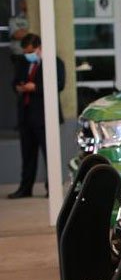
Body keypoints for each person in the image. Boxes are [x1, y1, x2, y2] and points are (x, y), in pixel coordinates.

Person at [9, 33, 65, 198]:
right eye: (25, 52)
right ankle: (25, 188)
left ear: (39, 48)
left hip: (44, 117)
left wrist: (36, 87)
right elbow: (15, 82)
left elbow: (59, 84)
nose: (28, 55)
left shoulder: (54, 62)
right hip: (26, 116)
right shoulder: (22, 62)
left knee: (50, 155)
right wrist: (19, 87)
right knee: (27, 156)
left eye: (31, 51)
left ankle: (51, 189)